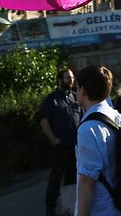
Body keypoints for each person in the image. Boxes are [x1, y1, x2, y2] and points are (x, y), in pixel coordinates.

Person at [74, 65, 121, 216]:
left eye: (77, 88)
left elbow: (87, 180)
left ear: (83, 91)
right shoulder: (115, 115)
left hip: (101, 208)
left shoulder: (87, 129)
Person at [38, 68, 80, 216]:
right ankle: (51, 207)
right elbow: (44, 122)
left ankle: (70, 205)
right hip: (60, 144)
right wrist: (53, 139)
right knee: (56, 175)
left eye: (72, 77)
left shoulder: (76, 97)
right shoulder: (52, 99)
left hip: (74, 144)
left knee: (72, 175)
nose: (71, 80)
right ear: (60, 80)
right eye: (68, 77)